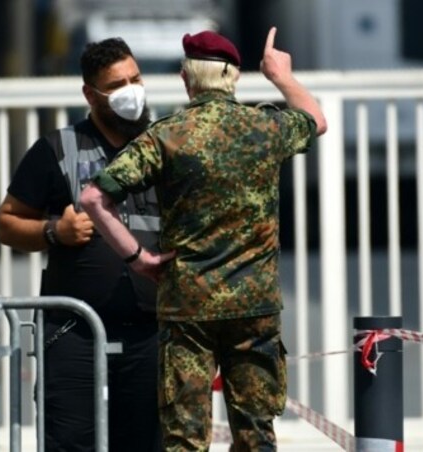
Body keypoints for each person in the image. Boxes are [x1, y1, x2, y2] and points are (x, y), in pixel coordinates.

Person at [79, 27, 327, 451]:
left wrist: (138, 257)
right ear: (233, 78)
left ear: (186, 79)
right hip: (254, 307)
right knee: (255, 434)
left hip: (186, 304)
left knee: (185, 439)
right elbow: (316, 121)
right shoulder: (265, 128)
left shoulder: (166, 135)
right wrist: (281, 76)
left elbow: (93, 198)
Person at [0, 37, 161, 452]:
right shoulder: (57, 150)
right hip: (73, 335)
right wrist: (55, 231)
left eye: (136, 79)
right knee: (69, 442)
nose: (132, 92)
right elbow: (7, 223)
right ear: (90, 94)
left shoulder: (166, 145)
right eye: (118, 84)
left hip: (152, 334)